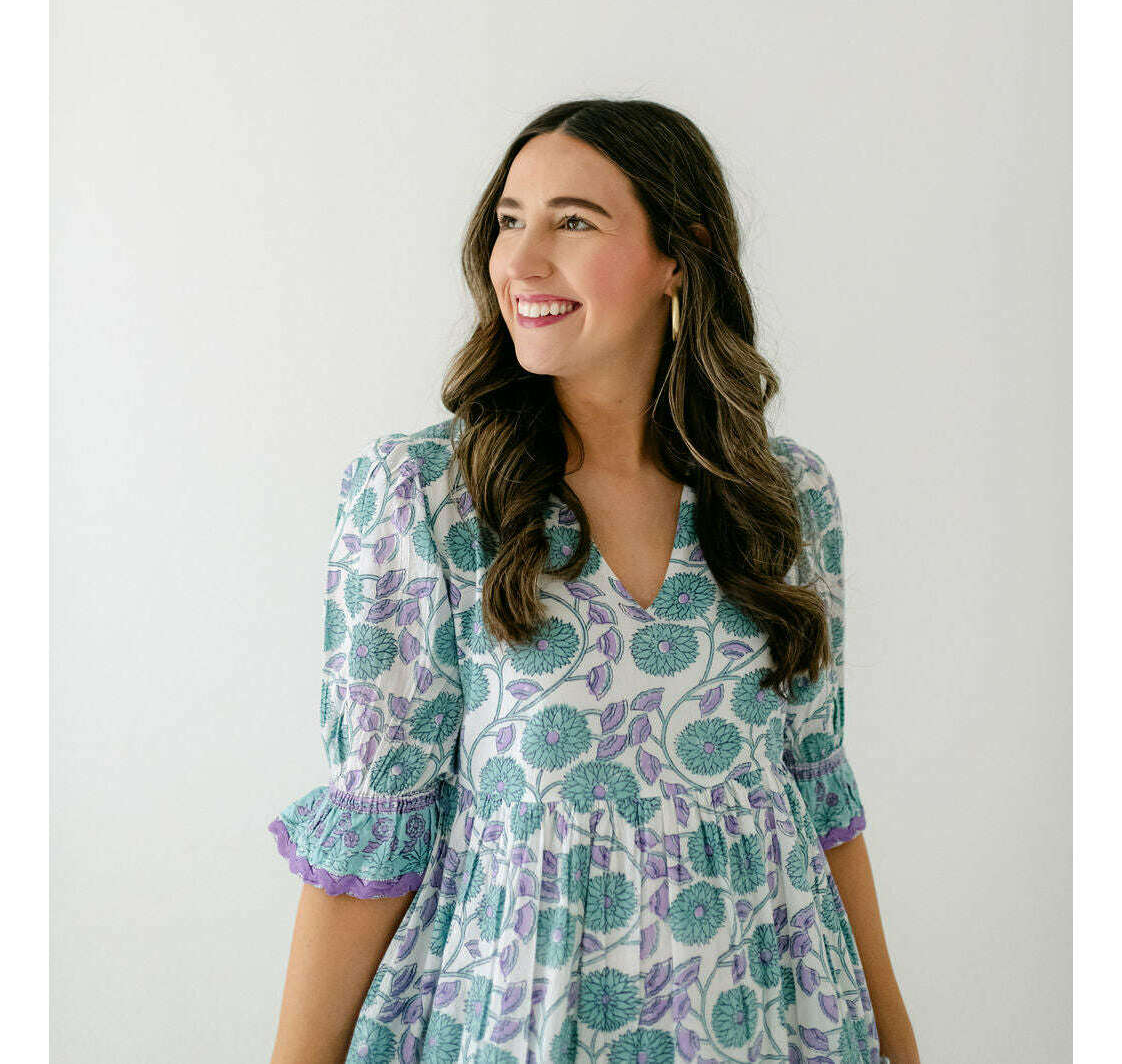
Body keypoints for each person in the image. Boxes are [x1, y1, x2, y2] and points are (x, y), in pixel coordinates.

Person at [267, 99, 919, 1064]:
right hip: (521, 1026)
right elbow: (375, 828)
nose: (523, 261)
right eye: (509, 221)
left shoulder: (782, 500)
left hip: (772, 1022)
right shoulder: (426, 498)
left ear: (680, 256)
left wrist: (900, 1047)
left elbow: (820, 804)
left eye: (573, 221)